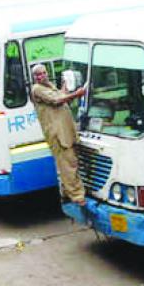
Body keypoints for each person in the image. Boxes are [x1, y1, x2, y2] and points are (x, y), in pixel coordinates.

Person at [30, 64, 87, 206]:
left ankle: (66, 193)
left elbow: (61, 96)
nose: (42, 76)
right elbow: (57, 100)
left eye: (44, 73)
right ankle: (77, 196)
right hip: (58, 134)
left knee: (67, 163)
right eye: (38, 75)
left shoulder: (49, 86)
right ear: (34, 77)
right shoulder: (37, 89)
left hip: (66, 131)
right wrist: (78, 94)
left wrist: (65, 88)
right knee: (68, 164)